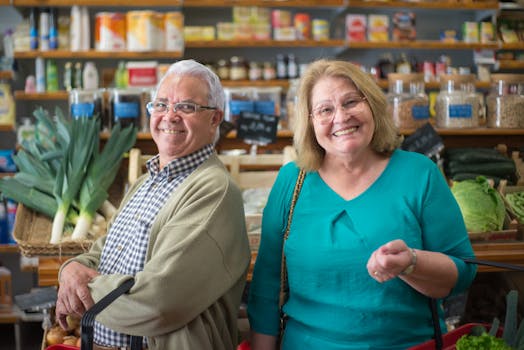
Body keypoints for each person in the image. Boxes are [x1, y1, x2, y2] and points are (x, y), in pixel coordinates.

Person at [247, 59, 477, 349]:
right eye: (325, 109)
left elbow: (461, 272)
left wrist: (411, 263)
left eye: (351, 101)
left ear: (372, 106)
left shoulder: (419, 173)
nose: (341, 117)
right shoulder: (291, 181)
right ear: (309, 121)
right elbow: (266, 289)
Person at [55, 59, 251, 350]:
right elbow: (103, 253)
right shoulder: (145, 183)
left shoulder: (213, 191)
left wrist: (81, 292)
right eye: (160, 105)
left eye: (186, 107)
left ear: (214, 119)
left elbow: (159, 301)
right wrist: (70, 270)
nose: (169, 116)